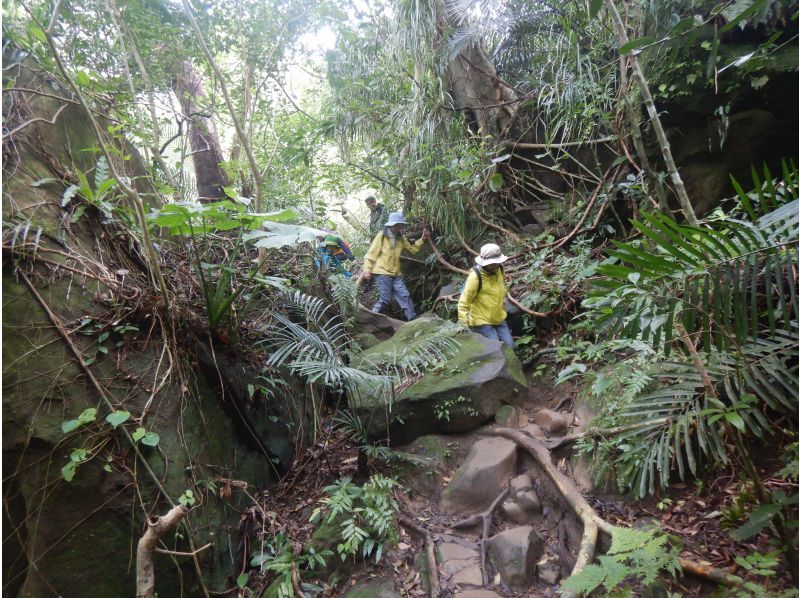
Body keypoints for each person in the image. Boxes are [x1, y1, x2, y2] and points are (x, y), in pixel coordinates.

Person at [362, 213, 430, 321]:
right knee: (385, 300)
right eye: (397, 225)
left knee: (405, 296)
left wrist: (422, 239)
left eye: (400, 225)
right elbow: (371, 253)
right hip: (382, 273)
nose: (399, 227)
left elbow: (413, 249)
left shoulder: (401, 238)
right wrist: (367, 269)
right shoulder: (382, 235)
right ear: (391, 225)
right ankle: (370, 320)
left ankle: (413, 321)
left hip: (396, 273)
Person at [457, 243, 515, 348]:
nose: (496, 265)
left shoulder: (499, 269)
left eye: (497, 262)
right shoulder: (475, 277)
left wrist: (504, 304)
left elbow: (500, 288)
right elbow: (464, 302)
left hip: (498, 316)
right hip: (481, 320)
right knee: (496, 348)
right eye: (493, 263)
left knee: (510, 346)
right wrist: (463, 323)